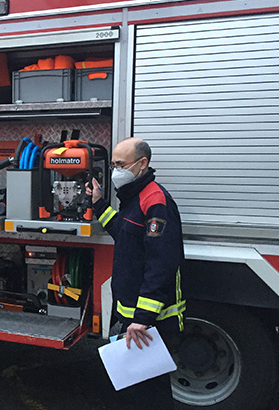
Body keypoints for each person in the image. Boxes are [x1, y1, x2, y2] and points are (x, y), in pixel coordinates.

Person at [86, 137, 185, 410]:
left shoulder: (155, 202)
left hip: (148, 324)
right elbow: (125, 235)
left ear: (142, 164)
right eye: (114, 165)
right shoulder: (135, 197)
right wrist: (99, 205)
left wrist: (142, 319)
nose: (116, 171)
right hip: (133, 320)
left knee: (149, 394)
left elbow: (161, 265)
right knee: (135, 391)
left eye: (121, 164)